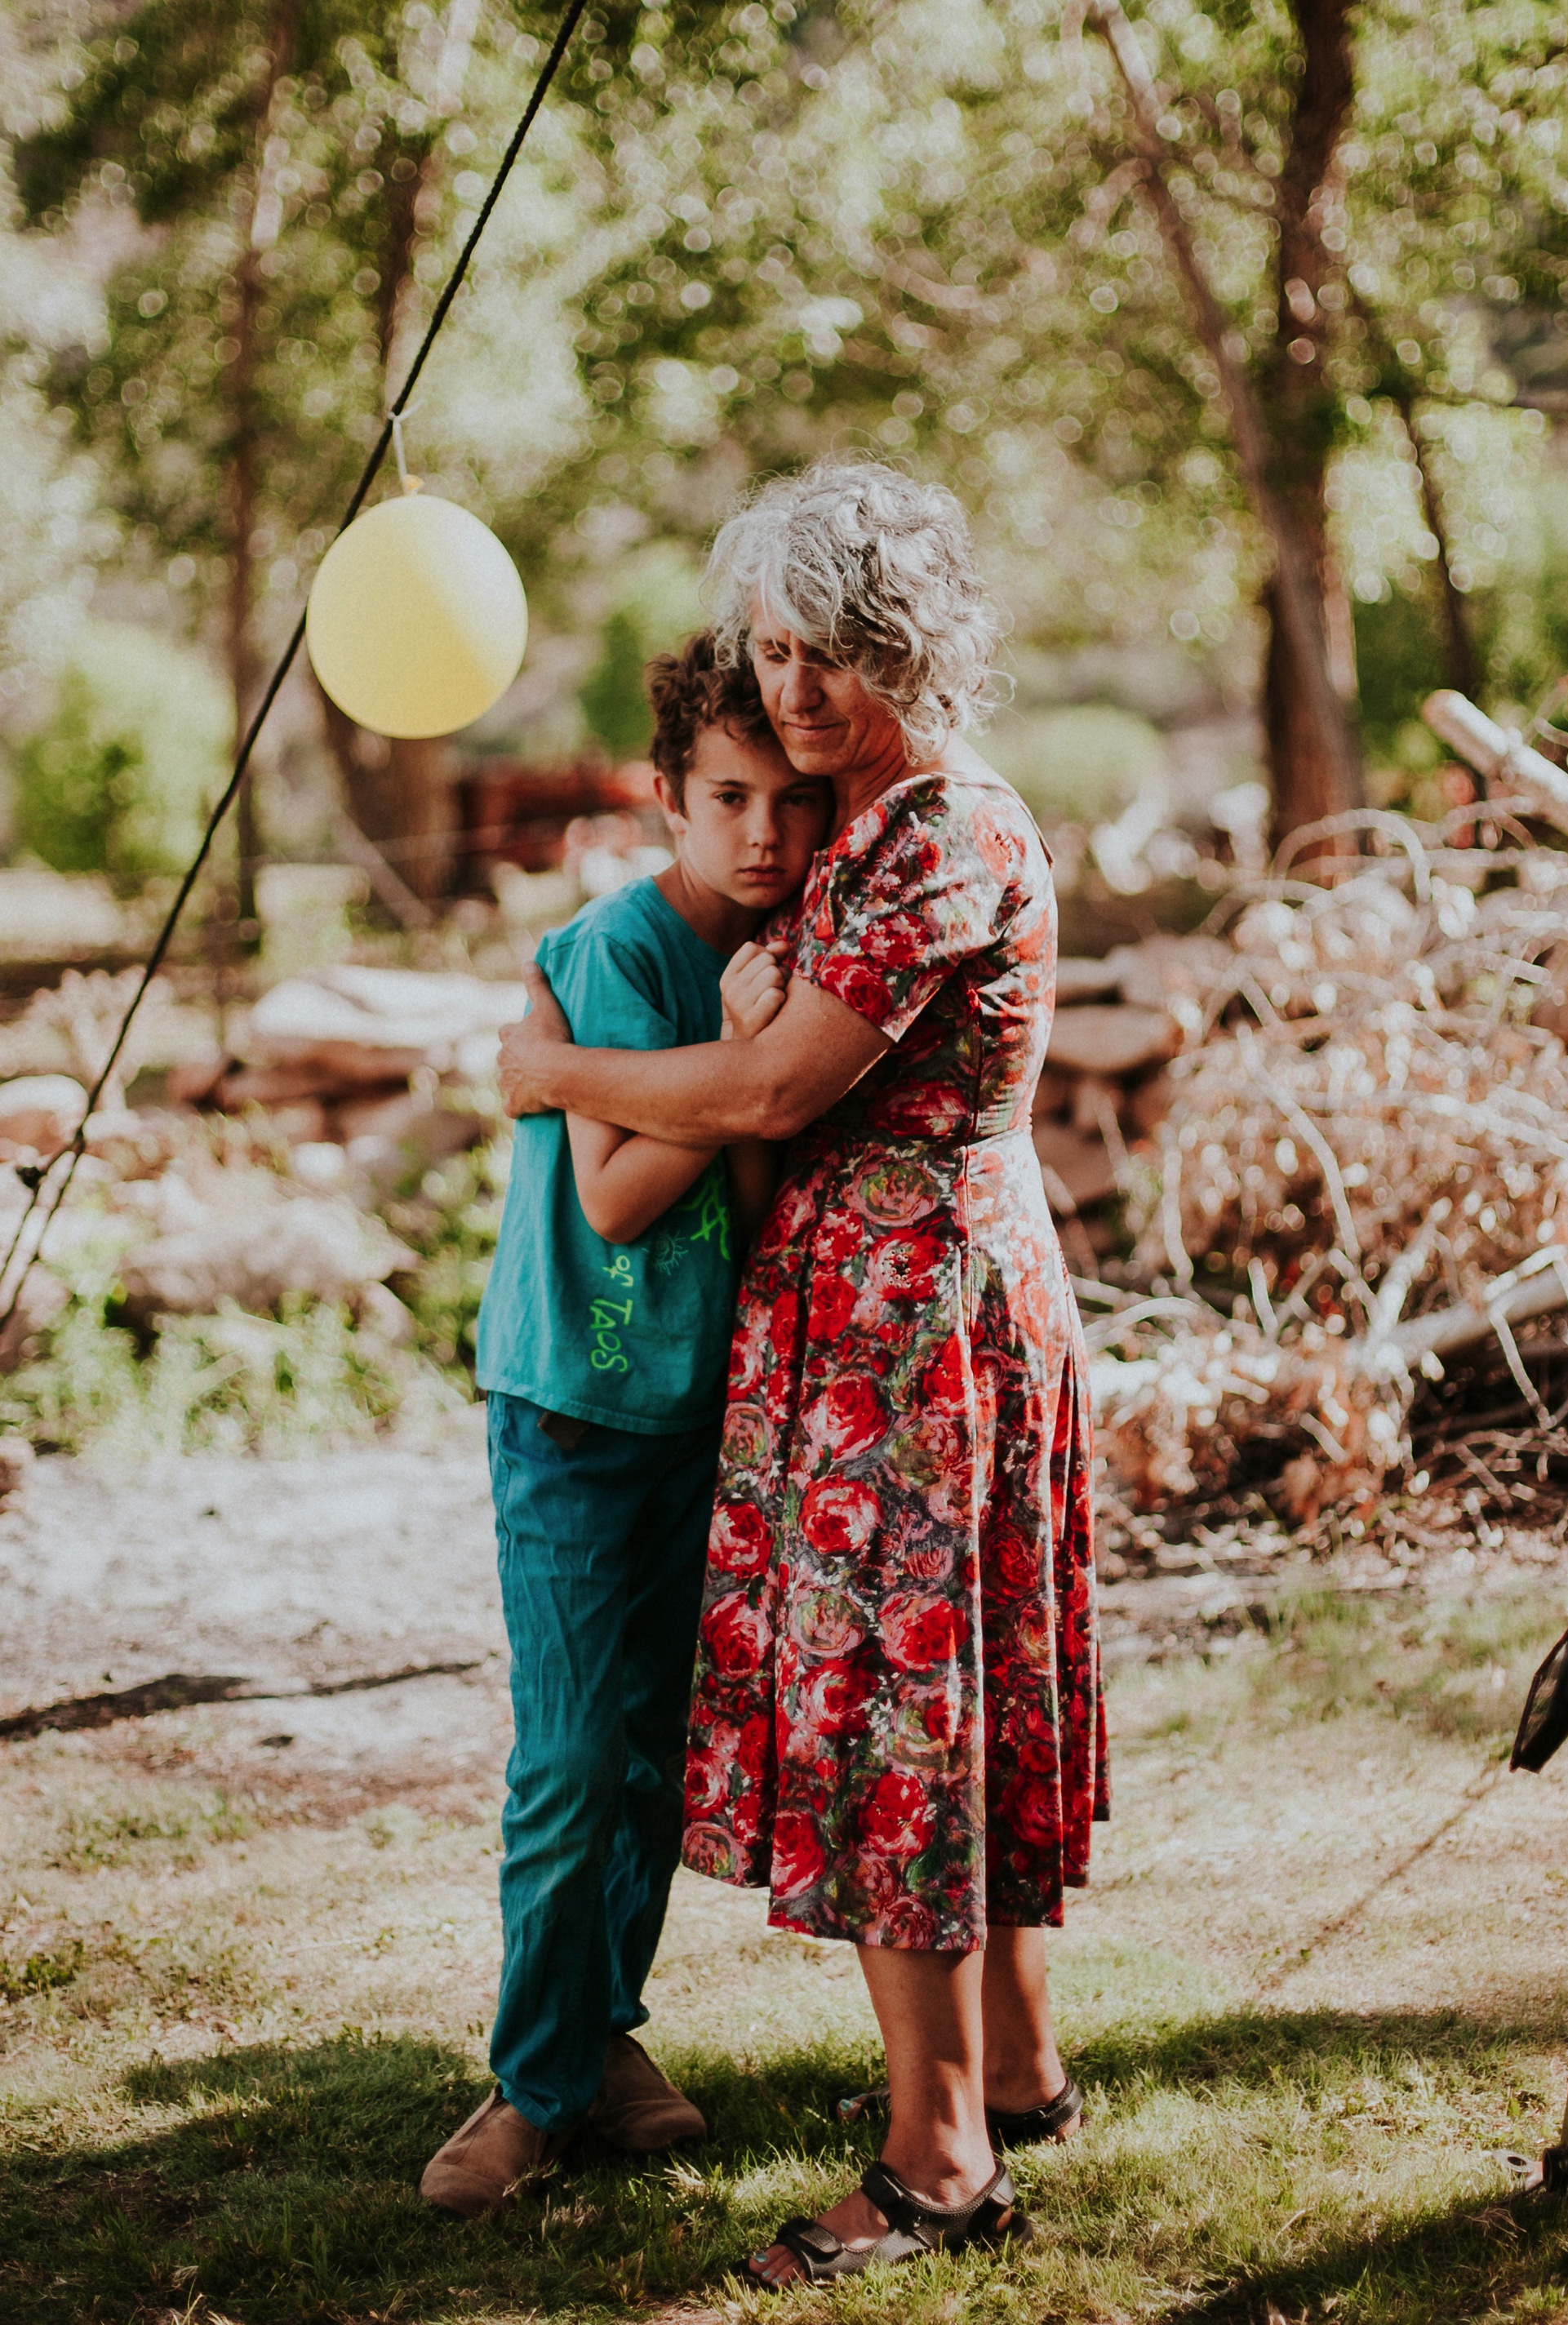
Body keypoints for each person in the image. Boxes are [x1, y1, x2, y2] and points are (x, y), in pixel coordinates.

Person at [497, 460, 1108, 2286]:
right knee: (955, 1691)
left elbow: (770, 1091)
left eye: (840, 649)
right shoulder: (870, 817)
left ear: (915, 644)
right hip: (896, 1307)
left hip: (908, 1330)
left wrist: (549, 1076)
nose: (800, 690)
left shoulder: (938, 832)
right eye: (776, 650)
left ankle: (934, 2161)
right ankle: (1010, 2066)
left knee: (898, 1720)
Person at [420, 635, 830, 2217]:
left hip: (691, 1417)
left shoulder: (788, 954)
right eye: (728, 797)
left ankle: (602, 2034)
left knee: (653, 1762)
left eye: (794, 803)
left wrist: (740, 1089)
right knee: (574, 1758)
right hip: (572, 1411)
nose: (763, 837)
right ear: (665, 796)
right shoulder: (617, 955)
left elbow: (743, 1172)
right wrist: (734, 1067)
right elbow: (613, 1183)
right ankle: (531, 2085)